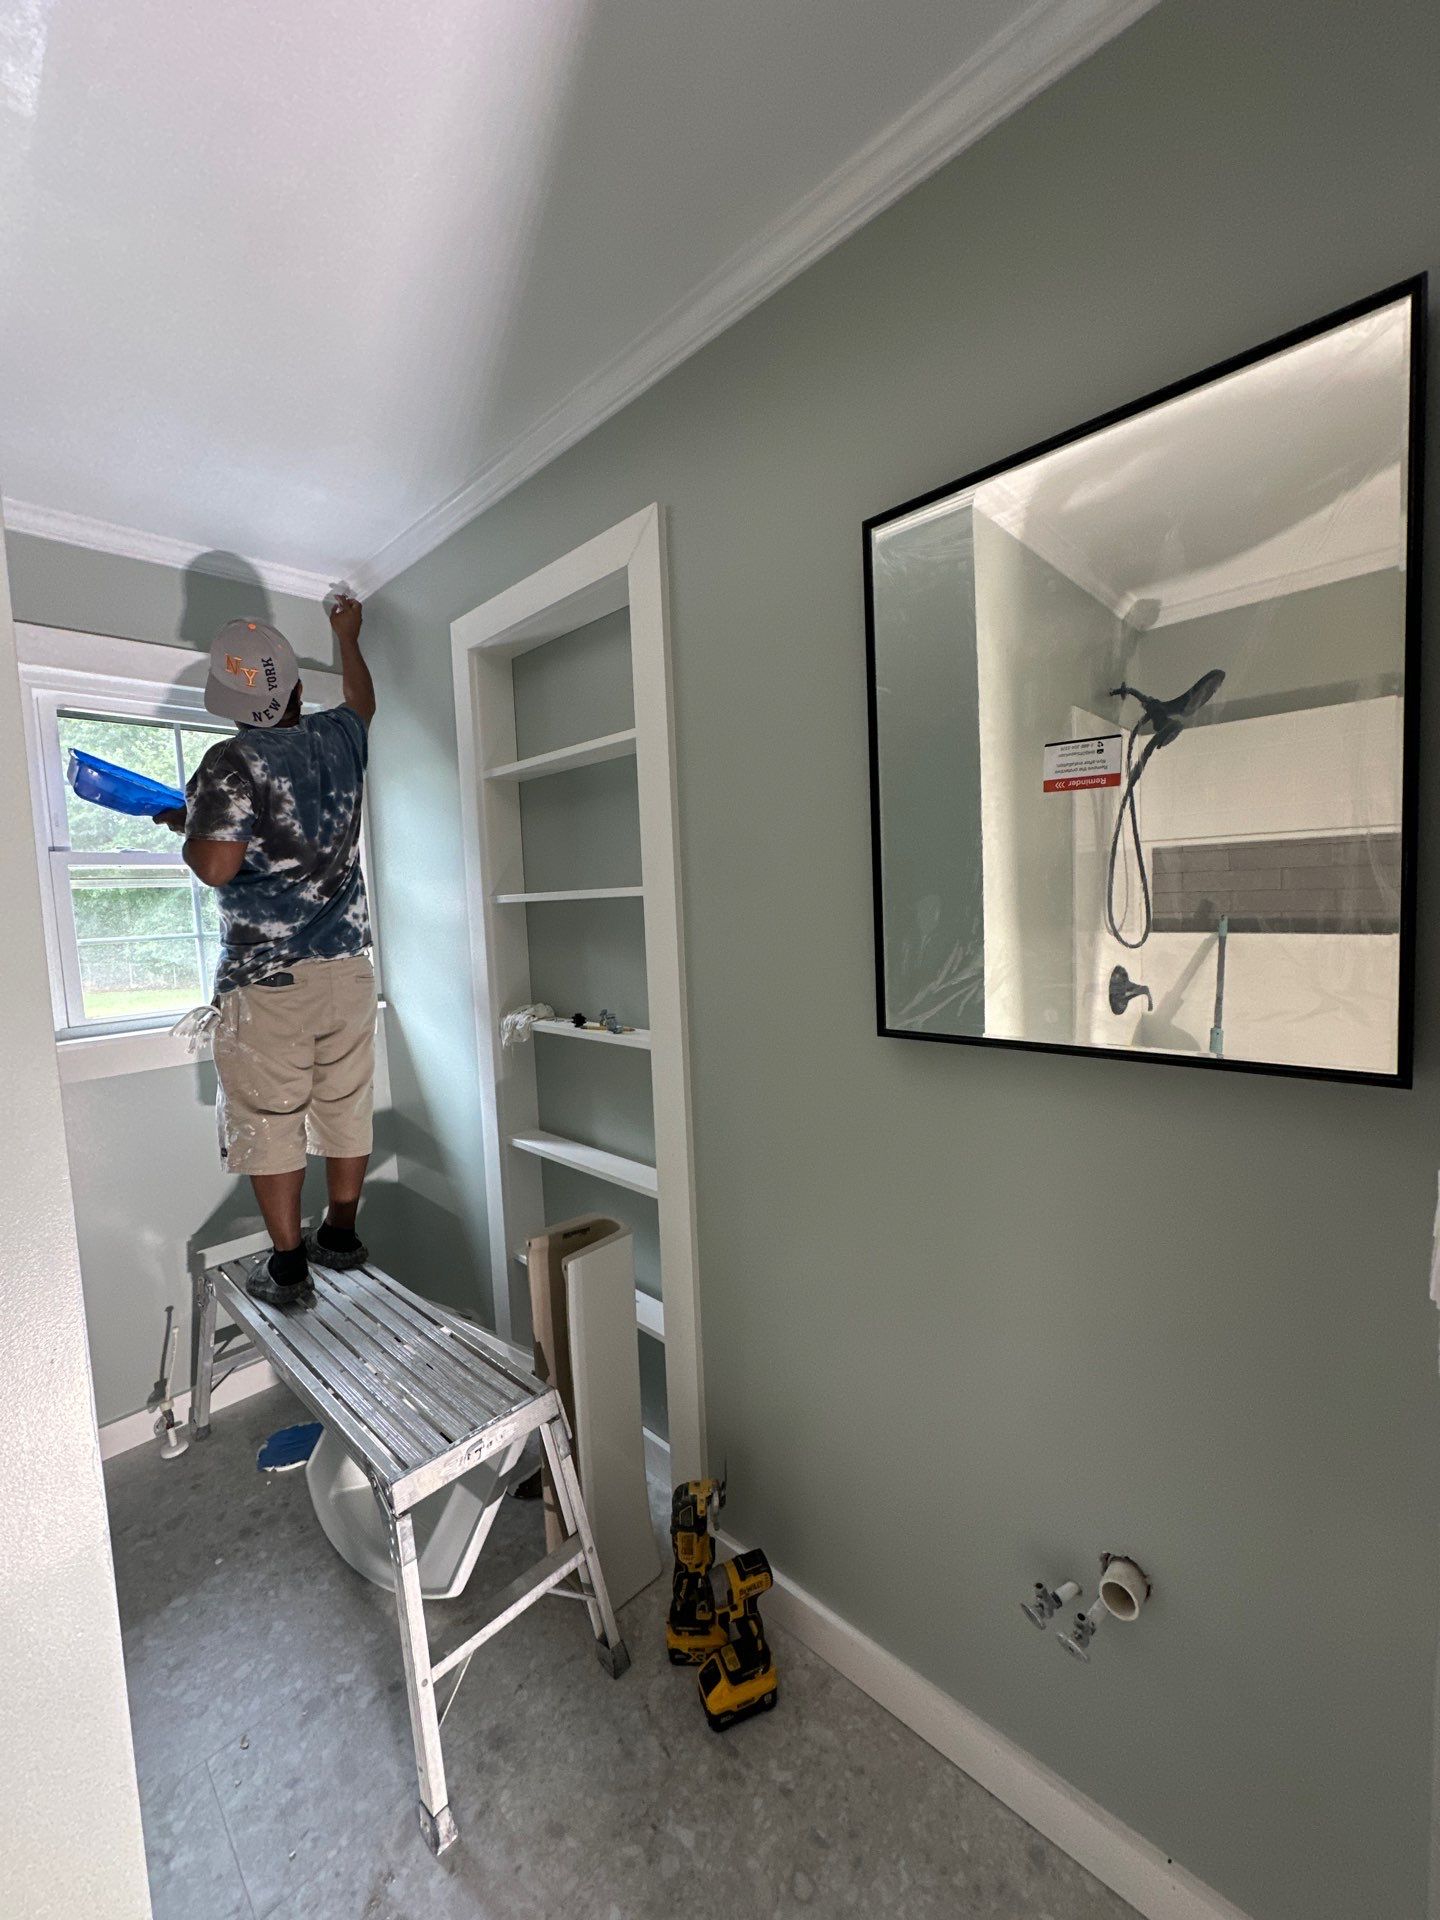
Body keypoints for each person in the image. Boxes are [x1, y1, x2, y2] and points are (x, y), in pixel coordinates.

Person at [156, 595, 377, 1305]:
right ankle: (340, 1235)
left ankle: (289, 1266)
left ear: (228, 704)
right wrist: (348, 635)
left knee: (271, 1121)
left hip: (269, 979)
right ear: (297, 693)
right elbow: (363, 700)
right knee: (345, 1104)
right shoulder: (339, 738)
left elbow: (217, 865)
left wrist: (189, 827)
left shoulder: (230, 761)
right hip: (349, 968)